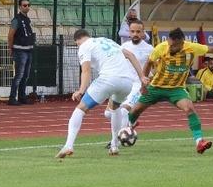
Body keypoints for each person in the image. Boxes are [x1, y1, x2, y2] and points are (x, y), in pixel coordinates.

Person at [127, 28, 213, 154]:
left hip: (176, 89)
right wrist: (143, 82)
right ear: (169, 40)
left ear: (182, 42)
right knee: (135, 110)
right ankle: (128, 127)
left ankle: (199, 142)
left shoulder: (191, 47)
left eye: (176, 45)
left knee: (189, 108)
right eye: (171, 44)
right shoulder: (161, 48)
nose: (172, 47)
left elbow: (212, 49)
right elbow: (149, 63)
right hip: (156, 87)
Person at [56, 29, 146, 158]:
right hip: (127, 82)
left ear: (77, 41)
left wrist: (81, 90)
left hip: (108, 79)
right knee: (115, 109)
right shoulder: (106, 40)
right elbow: (130, 55)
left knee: (80, 109)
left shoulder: (84, 46)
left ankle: (68, 146)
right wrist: (142, 76)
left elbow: (85, 71)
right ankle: (114, 146)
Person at [105, 20, 154, 153]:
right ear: (129, 32)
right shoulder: (124, 47)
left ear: (143, 33)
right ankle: (128, 126)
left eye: (138, 31)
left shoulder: (150, 49)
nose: (135, 34)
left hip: (138, 85)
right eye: (132, 31)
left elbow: (155, 69)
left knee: (125, 110)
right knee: (108, 113)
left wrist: (148, 82)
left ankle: (115, 142)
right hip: (124, 83)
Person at [8, 0, 35, 105]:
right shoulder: (16, 20)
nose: (27, 7)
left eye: (28, 5)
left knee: (25, 75)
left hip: (28, 50)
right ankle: (12, 98)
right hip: (20, 50)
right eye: (24, 5)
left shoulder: (27, 19)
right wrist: (10, 48)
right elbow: (10, 35)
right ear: (20, 7)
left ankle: (22, 96)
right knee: (19, 75)